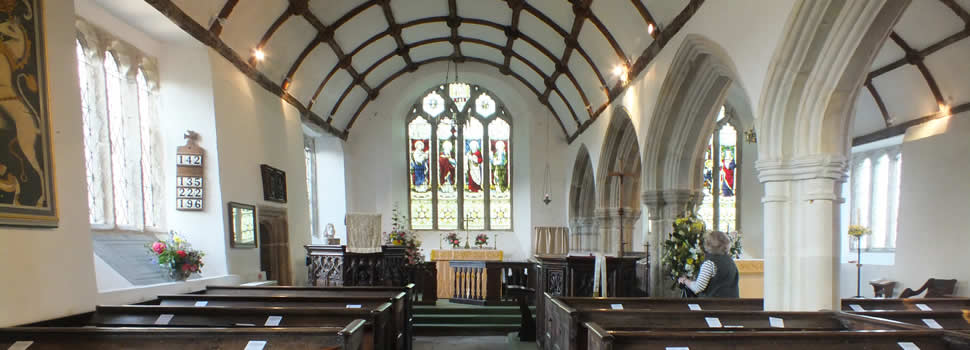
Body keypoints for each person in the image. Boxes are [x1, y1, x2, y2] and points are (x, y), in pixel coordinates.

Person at [678, 231, 739, 298]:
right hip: (732, 304)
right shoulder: (730, 261)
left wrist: (685, 280)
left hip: (713, 305)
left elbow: (698, 288)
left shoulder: (710, 263)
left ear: (708, 244)